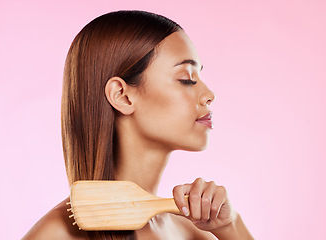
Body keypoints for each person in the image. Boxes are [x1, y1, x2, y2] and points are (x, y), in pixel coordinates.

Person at [22, 10, 254, 240]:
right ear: (122, 96)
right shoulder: (54, 235)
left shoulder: (192, 232)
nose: (209, 94)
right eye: (187, 79)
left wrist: (231, 226)